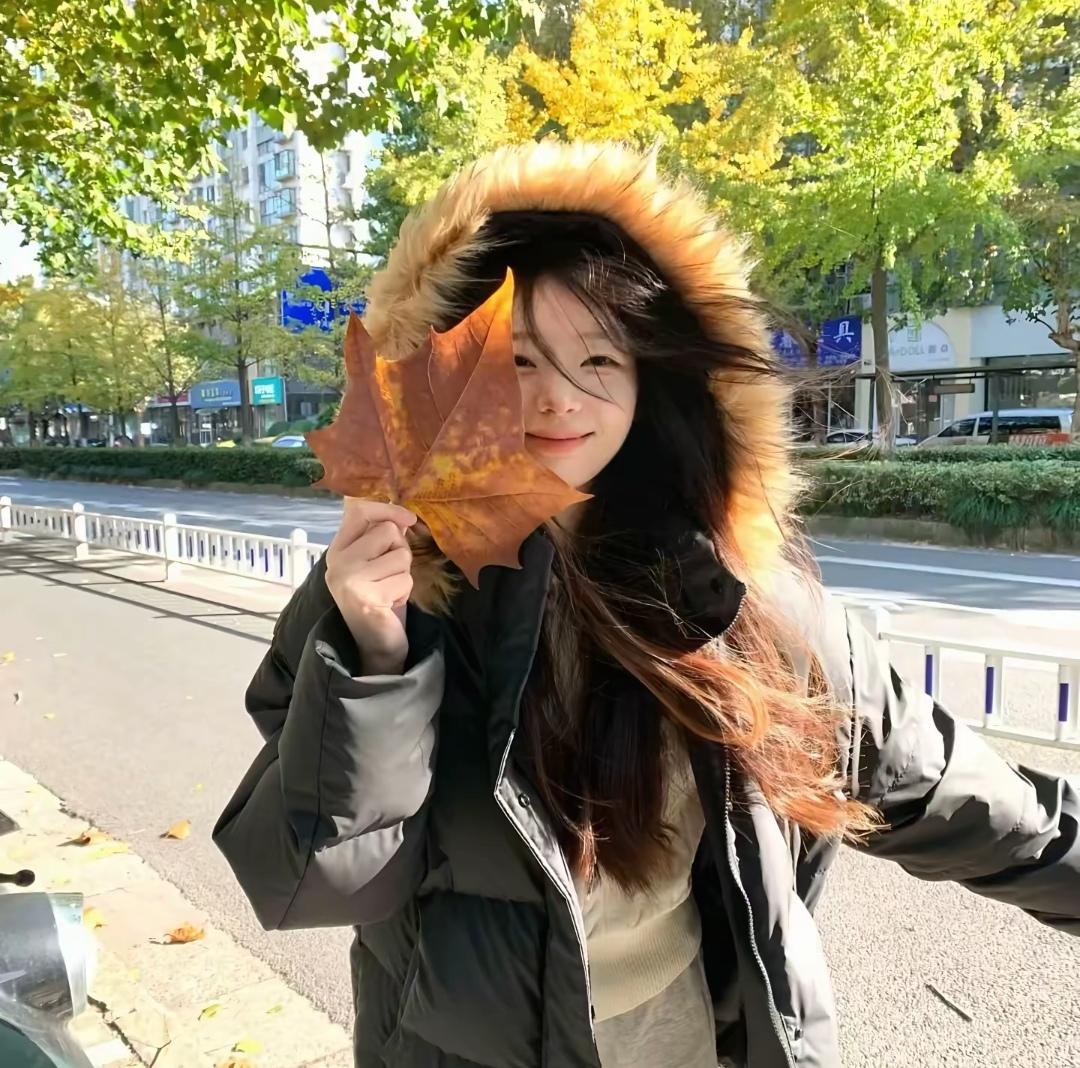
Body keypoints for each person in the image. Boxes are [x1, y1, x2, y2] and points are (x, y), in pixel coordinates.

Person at [214, 142, 1079, 1068]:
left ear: (651, 377)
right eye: (517, 359)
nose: (560, 398)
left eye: (600, 357)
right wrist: (377, 659)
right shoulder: (386, 596)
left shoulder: (738, 600)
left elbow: (942, 787)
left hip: (686, 1039)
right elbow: (309, 877)